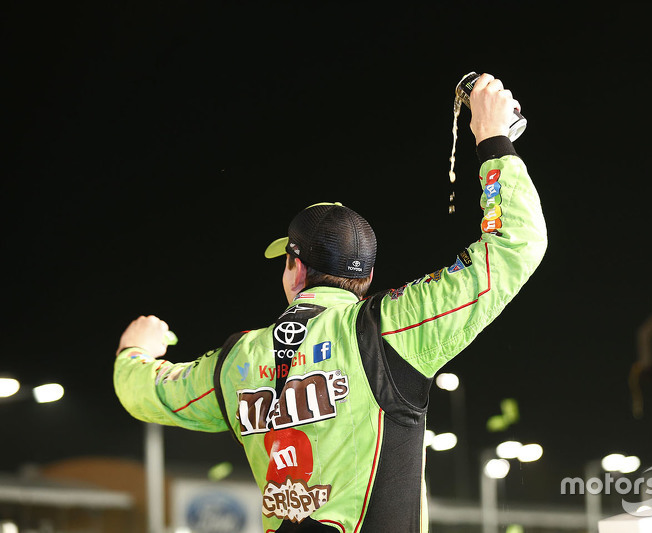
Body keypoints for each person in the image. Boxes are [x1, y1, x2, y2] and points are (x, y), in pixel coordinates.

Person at [113, 73, 548, 533]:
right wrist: (493, 141)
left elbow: (149, 393)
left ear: (295, 269)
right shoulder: (391, 326)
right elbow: (515, 246)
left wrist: (134, 351)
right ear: (368, 278)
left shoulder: (239, 360)